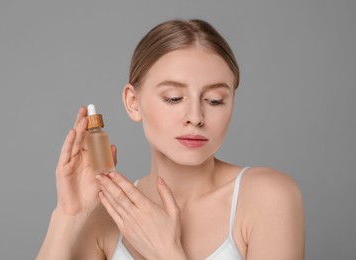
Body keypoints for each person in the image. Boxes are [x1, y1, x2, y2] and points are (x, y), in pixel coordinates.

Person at [37, 19, 305, 260]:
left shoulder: (266, 197)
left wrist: (165, 252)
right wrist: (68, 216)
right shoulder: (108, 216)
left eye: (215, 100)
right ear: (133, 103)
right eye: (174, 98)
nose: (196, 117)